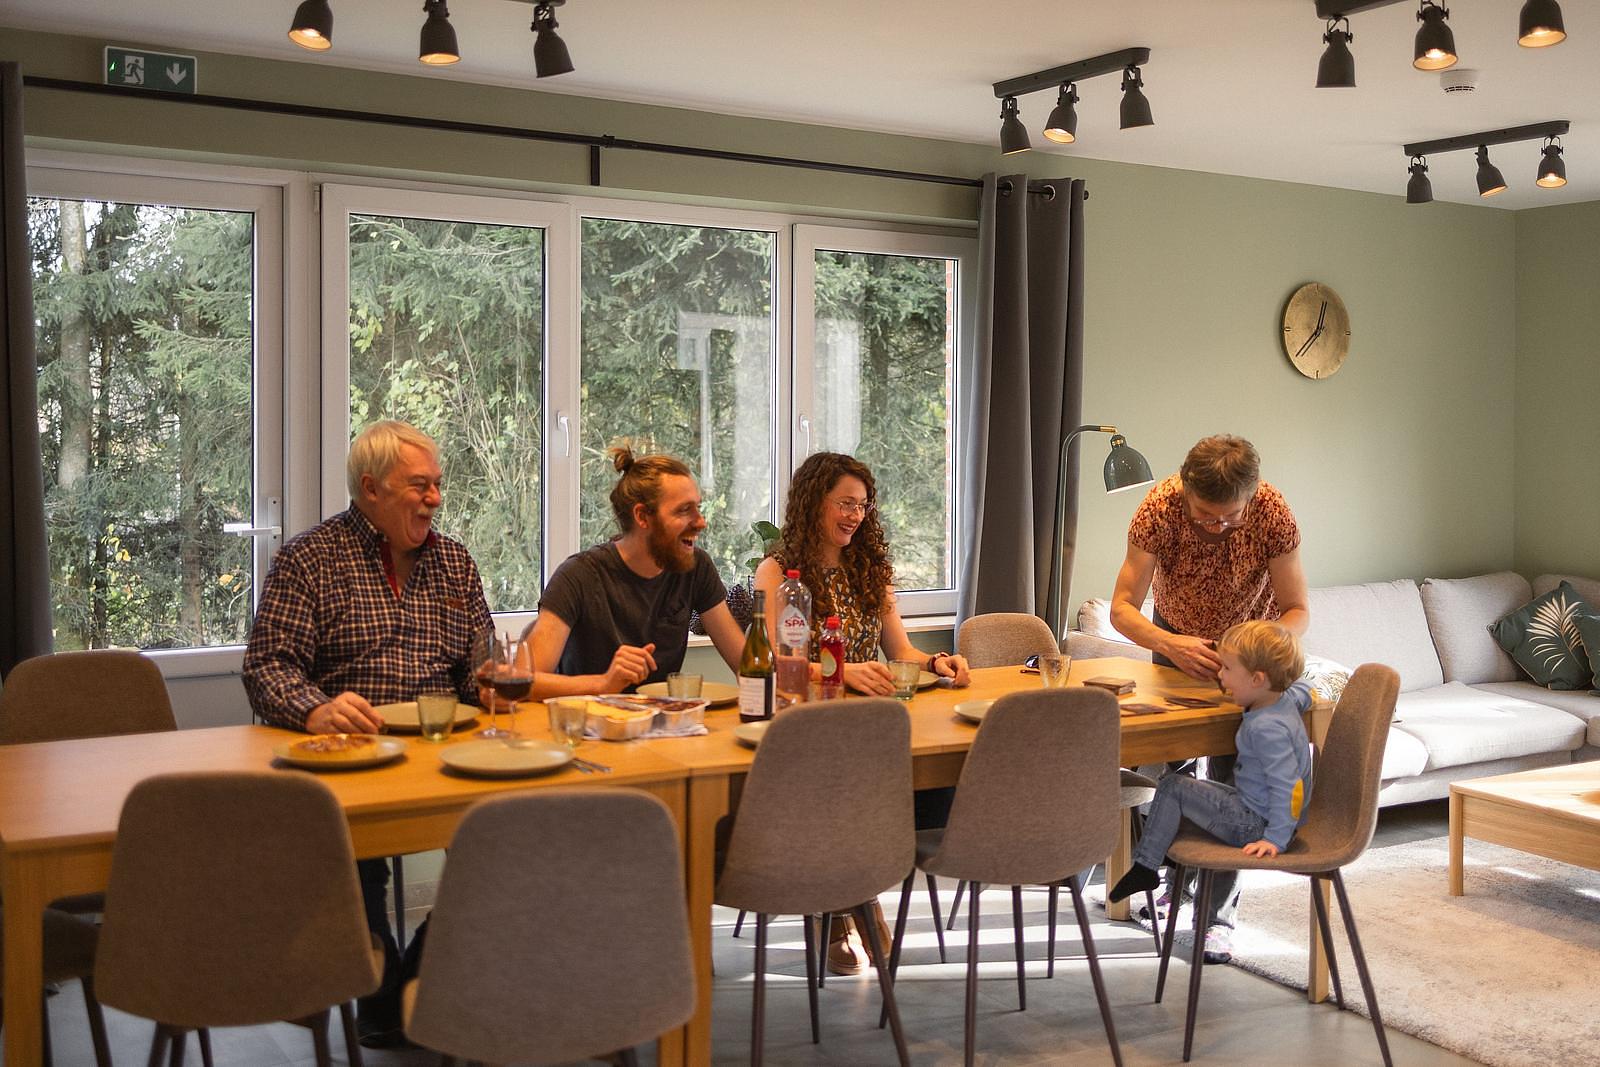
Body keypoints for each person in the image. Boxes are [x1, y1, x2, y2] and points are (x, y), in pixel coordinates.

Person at [242, 419, 492, 1048]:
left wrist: (492, 685)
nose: (436, 498)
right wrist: (315, 710)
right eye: (420, 485)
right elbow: (268, 666)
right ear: (370, 488)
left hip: (444, 749)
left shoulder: (454, 561)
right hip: (352, 754)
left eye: (438, 485)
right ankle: (378, 988)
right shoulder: (309, 558)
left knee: (515, 831)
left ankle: (420, 972)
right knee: (355, 856)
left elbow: (481, 667)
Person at [755, 451, 971, 975]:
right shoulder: (778, 571)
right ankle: (850, 904)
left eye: (862, 505)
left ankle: (848, 895)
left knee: (925, 784)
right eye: (844, 504)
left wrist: (940, 662)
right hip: (803, 723)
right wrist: (839, 670)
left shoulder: (869, 568)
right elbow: (770, 663)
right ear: (814, 504)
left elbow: (902, 653)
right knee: (838, 786)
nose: (855, 515)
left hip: (868, 726)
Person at [1109, 432, 1310, 961]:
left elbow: (1296, 609)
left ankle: (1215, 919)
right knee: (1168, 772)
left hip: (1248, 662)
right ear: (1186, 490)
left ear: (1253, 495)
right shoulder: (1159, 509)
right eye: (1204, 514)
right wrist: (1166, 641)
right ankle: (1171, 884)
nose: (1215, 526)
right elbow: (1122, 607)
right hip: (1175, 644)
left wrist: (1256, 651)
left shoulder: (1272, 513)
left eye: (1229, 516)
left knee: (1234, 786)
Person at [1109, 620, 1314, 903]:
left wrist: (1275, 838)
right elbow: (1304, 689)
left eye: (1228, 669)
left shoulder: (1267, 729)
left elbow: (1290, 786)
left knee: (1172, 786)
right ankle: (1156, 864)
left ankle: (1146, 865)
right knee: (1184, 786)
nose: (1220, 676)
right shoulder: (1284, 698)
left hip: (1257, 825)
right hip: (1255, 808)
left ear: (1257, 679)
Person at [524, 447, 745, 697]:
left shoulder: (697, 566)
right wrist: (604, 684)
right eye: (684, 510)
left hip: (663, 728)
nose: (701, 522)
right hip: (585, 730)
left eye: (698, 508)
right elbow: (523, 682)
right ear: (642, 516)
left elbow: (748, 667)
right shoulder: (578, 575)